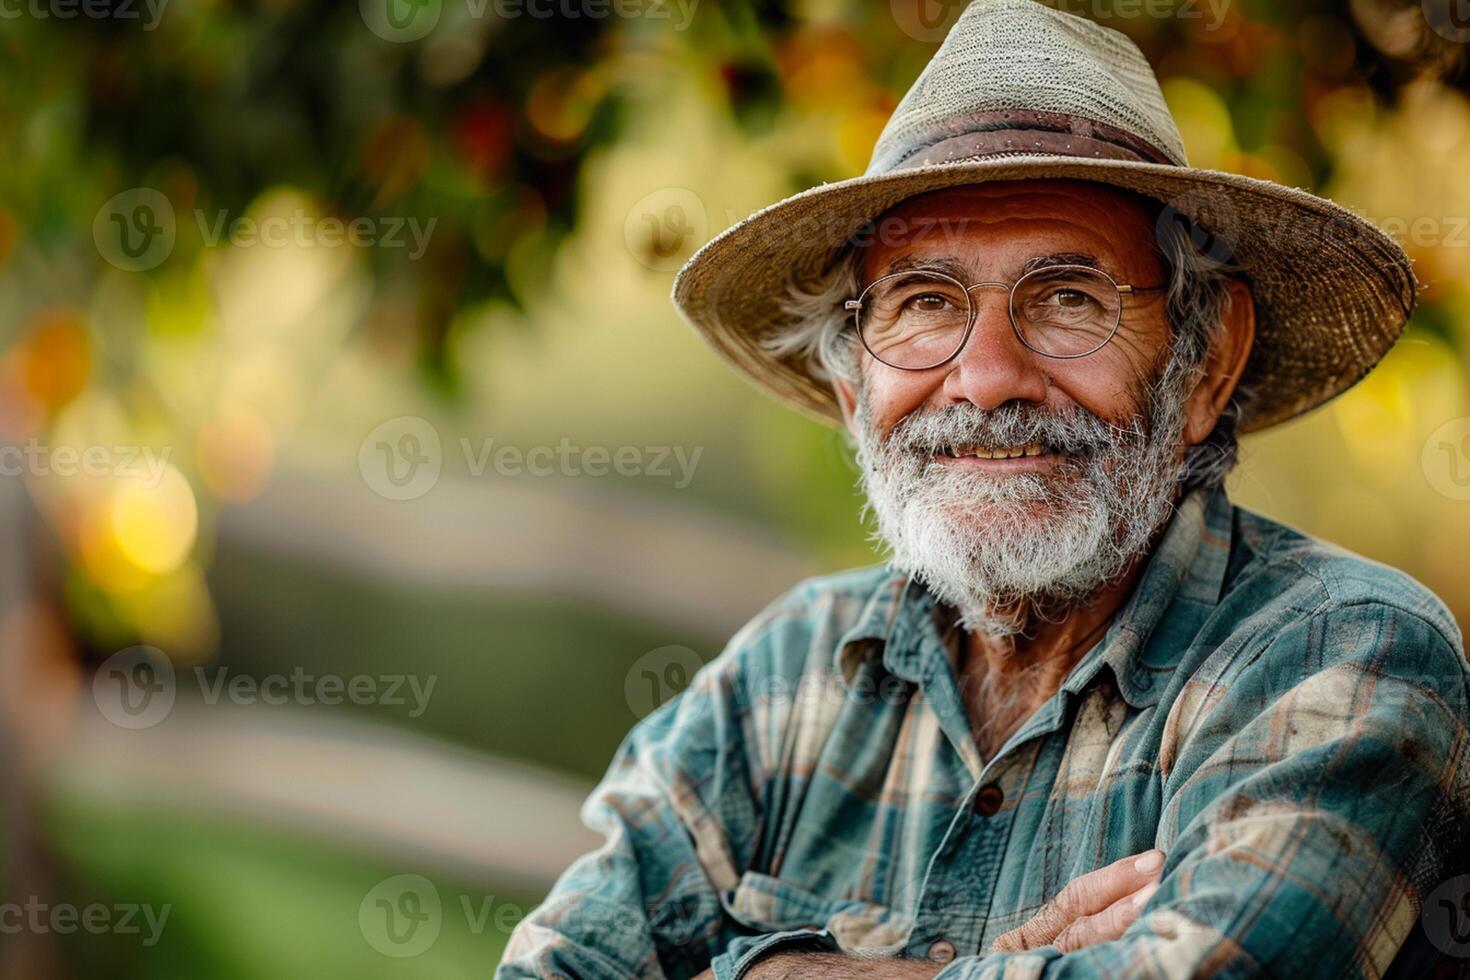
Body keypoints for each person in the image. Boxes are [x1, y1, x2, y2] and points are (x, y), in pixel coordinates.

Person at [499, 0, 1470, 976]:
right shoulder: (784, 677)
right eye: (925, 300)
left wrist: (750, 964)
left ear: (1206, 364)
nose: (988, 375)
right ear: (851, 384)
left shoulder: (1339, 654)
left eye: (1068, 297)